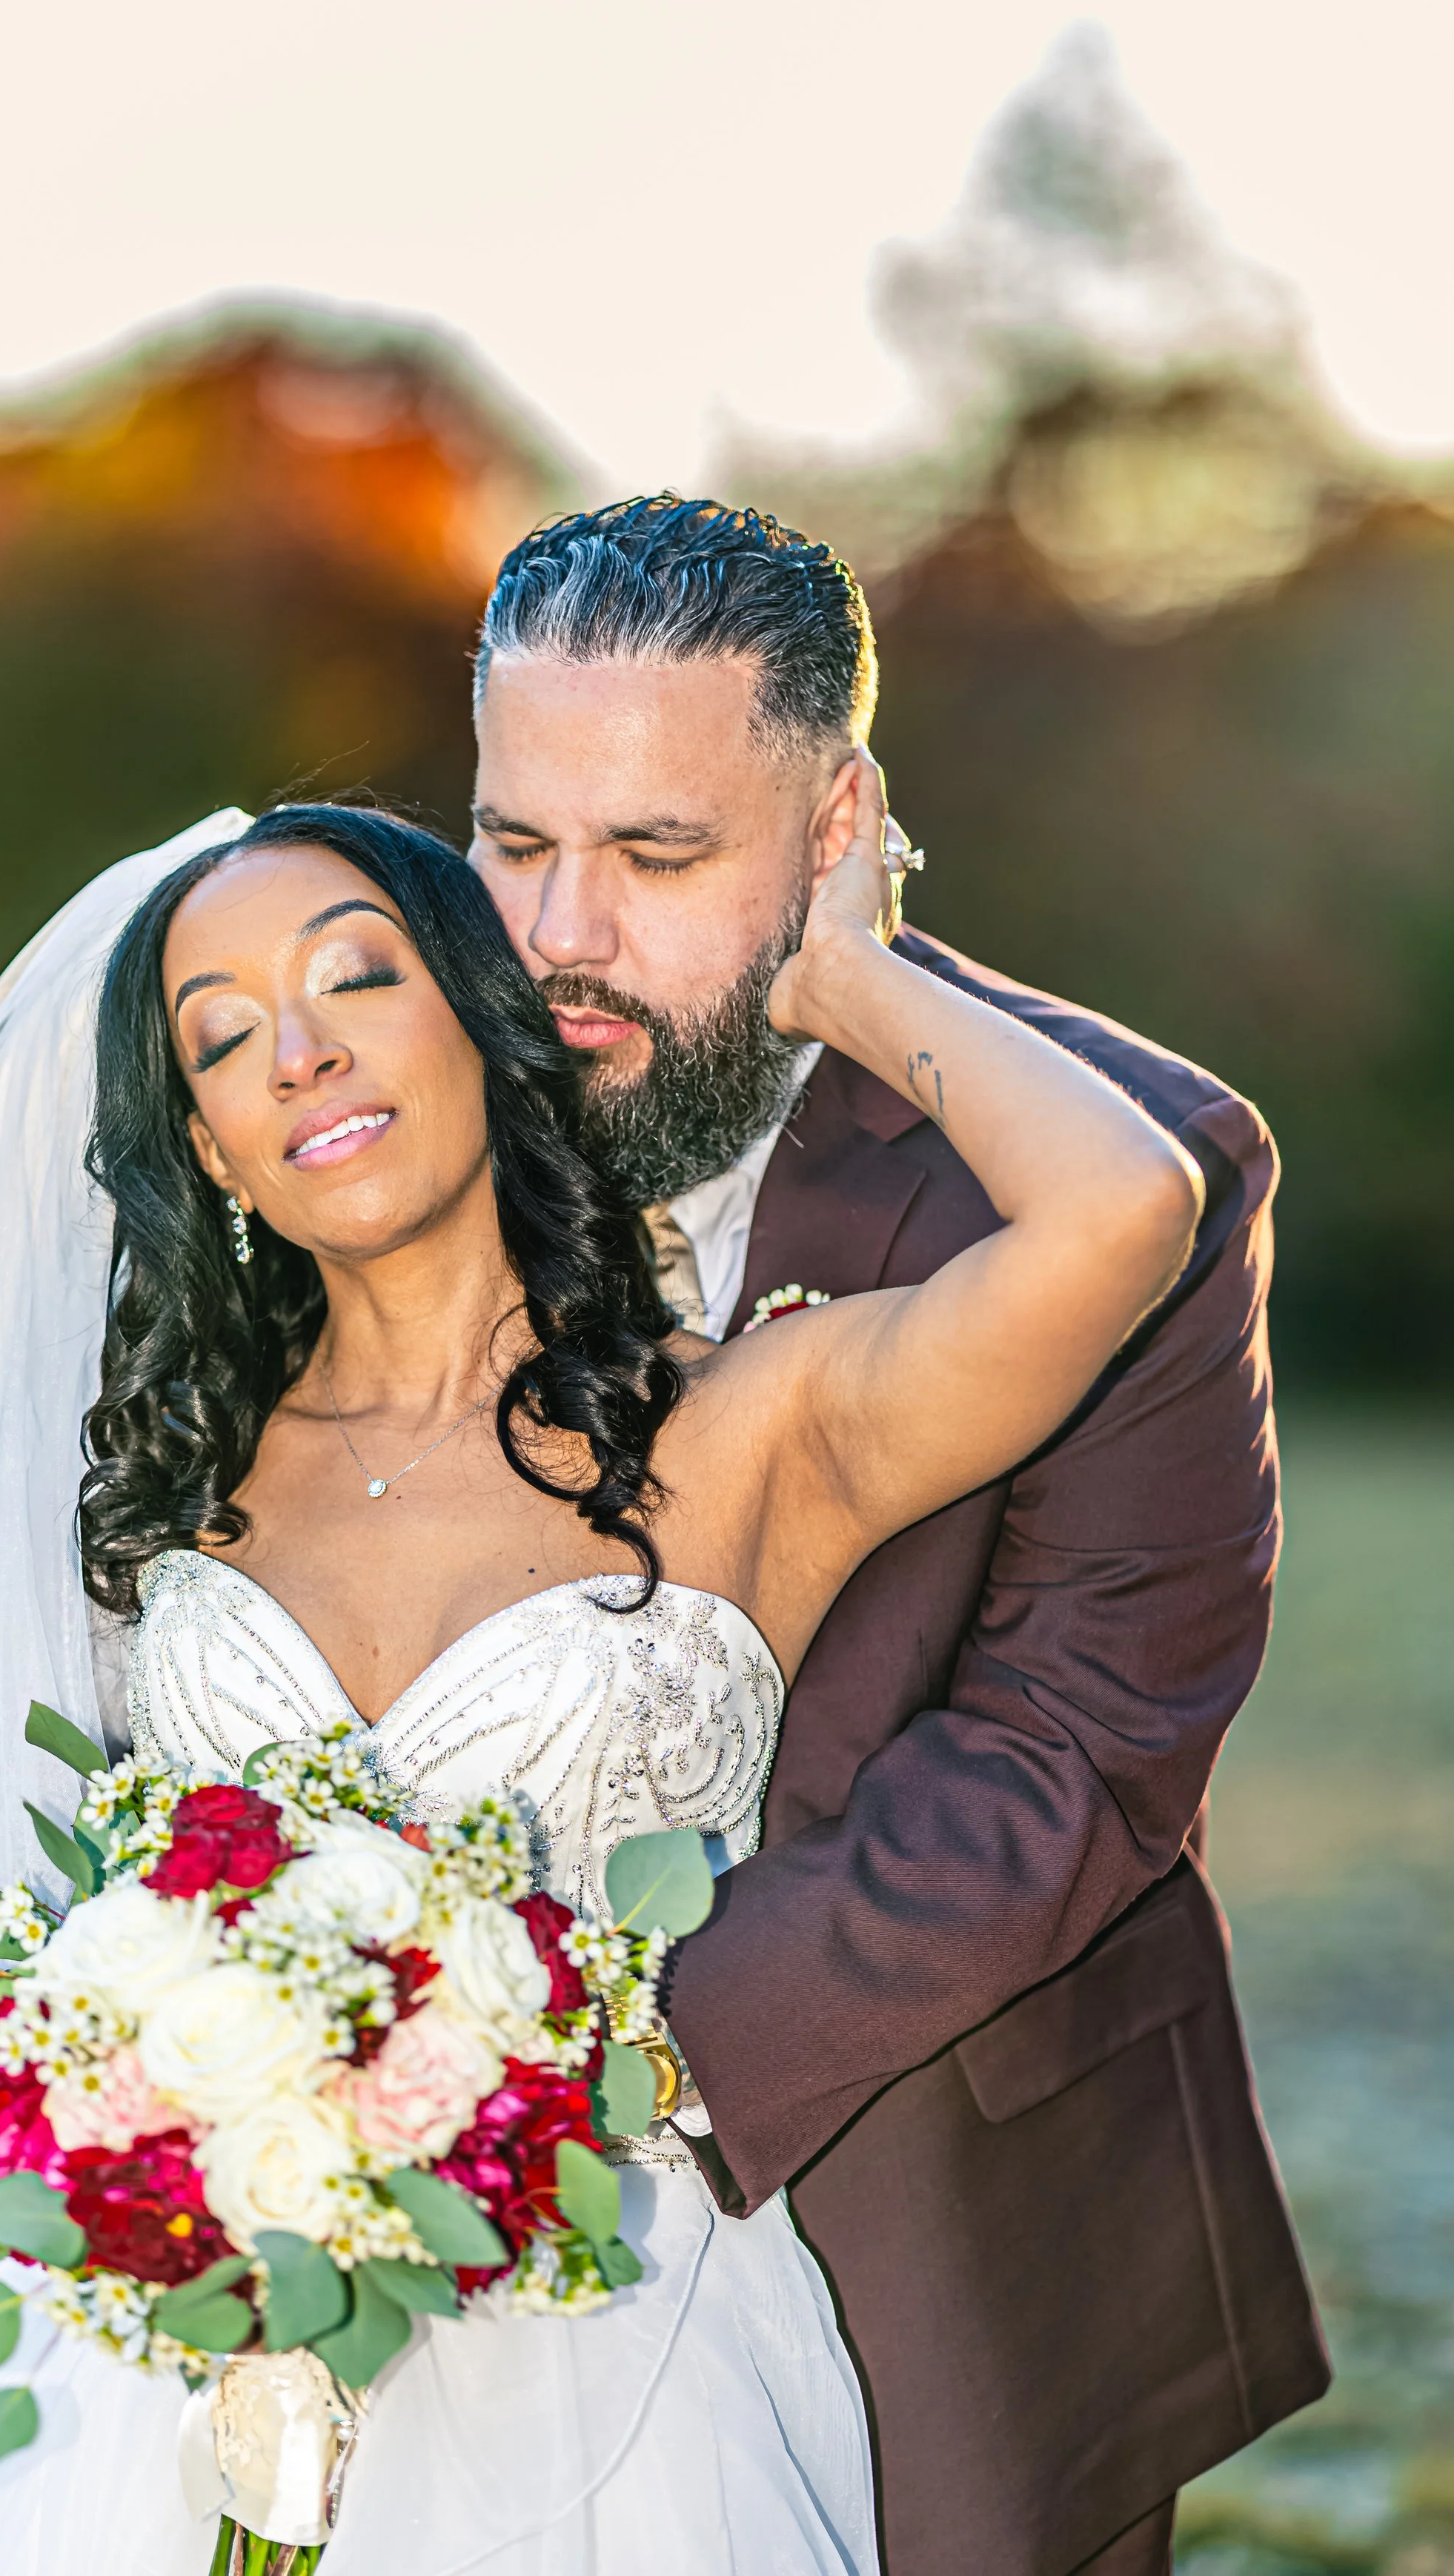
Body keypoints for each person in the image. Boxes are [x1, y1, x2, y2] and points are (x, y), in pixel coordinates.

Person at [0, 785, 1200, 2576]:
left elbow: (1123, 1207)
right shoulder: (153, 1506)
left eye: (357, 979)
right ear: (213, 1151)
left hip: (625, 2385)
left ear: (488, 1021)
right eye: (226, 1038)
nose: (301, 1055)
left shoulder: (745, 1428)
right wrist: (173, 2121)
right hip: (153, 2390)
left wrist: (847, 974)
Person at [465, 496, 1331, 2575]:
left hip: (940, 2191)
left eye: (658, 856)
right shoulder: (386, 1104)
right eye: (512, 842)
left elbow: (1075, 1747)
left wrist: (594, 2053)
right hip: (425, 2188)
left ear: (834, 817)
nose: (562, 933)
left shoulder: (1140, 1161)